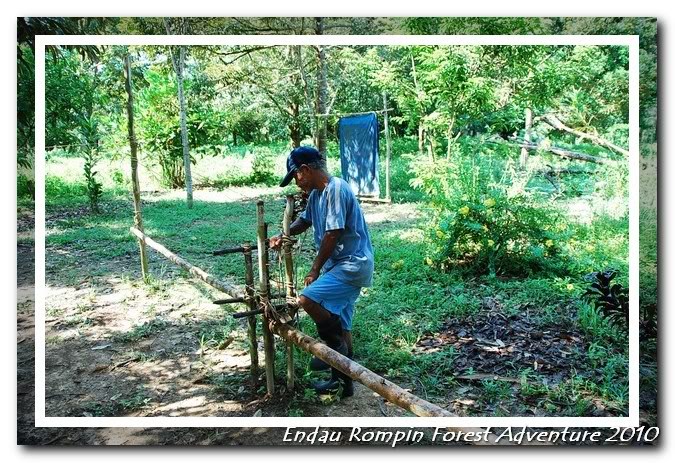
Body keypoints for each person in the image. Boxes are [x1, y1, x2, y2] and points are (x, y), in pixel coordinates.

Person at [269, 146, 374, 398]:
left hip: (351, 264)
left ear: (305, 170)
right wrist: (283, 234)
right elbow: (304, 221)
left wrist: (314, 269)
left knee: (308, 298)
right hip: (339, 265)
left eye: (295, 176)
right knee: (343, 326)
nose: (296, 182)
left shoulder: (336, 189)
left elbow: (333, 232)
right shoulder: (317, 194)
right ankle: (343, 383)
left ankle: (332, 351)